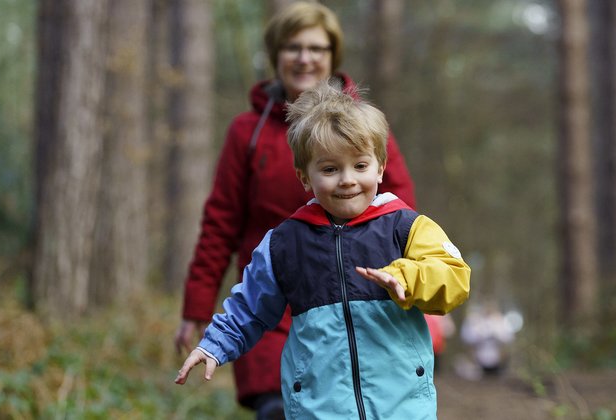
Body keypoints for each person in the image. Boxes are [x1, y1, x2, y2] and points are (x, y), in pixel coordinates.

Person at [172, 2, 416, 418]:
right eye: (292, 47)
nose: (305, 58)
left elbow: (401, 213)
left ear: (332, 55)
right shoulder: (246, 132)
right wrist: (197, 309)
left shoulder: (364, 127)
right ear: (276, 56)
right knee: (281, 406)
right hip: (272, 295)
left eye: (316, 48)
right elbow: (220, 224)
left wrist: (412, 280)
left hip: (354, 295)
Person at [175, 81, 471, 419]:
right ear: (304, 176)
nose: (347, 179)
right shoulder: (285, 244)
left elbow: (454, 276)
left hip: (401, 406)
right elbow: (250, 308)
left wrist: (409, 277)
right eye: (330, 169)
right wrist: (214, 346)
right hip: (320, 407)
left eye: (360, 166)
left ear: (380, 166)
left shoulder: (406, 227)